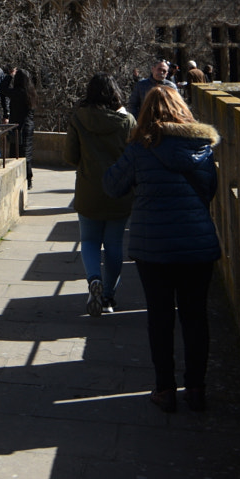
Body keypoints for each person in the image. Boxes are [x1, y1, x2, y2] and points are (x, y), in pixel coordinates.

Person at [103, 86, 222, 413]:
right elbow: (209, 190)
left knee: (160, 316)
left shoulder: (141, 149)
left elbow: (112, 186)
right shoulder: (202, 147)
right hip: (197, 242)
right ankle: (196, 389)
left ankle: (165, 389)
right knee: (195, 317)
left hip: (153, 245)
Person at [66, 74, 135, 316]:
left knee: (89, 241)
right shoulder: (127, 122)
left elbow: (71, 156)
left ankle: (94, 279)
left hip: (88, 190)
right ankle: (108, 296)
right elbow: (135, 157)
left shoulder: (78, 118)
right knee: (114, 244)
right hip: (119, 192)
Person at [5, 64, 38, 183]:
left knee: (16, 153)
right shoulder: (31, 92)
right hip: (28, 126)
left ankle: (17, 178)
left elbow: (2, 89)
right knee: (27, 153)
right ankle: (28, 178)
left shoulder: (16, 93)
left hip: (17, 127)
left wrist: (10, 76)